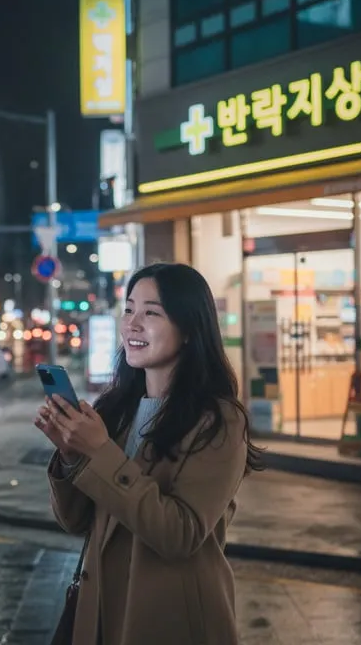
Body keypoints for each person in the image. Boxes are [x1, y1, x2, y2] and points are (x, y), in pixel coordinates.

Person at [34, 262, 263, 645]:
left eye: (151, 313)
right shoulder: (116, 410)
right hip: (101, 617)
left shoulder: (218, 420)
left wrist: (100, 451)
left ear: (189, 328)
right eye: (128, 309)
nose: (132, 324)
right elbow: (75, 521)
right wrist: (72, 454)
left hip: (170, 621)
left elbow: (180, 534)